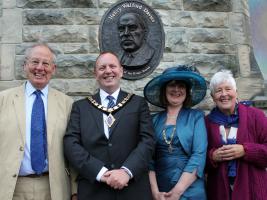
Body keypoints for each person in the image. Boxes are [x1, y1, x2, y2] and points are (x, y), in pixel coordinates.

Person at [63, 51, 155, 200]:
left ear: (121, 71)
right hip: (94, 189)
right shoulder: (81, 107)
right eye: (102, 67)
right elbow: (71, 144)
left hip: (132, 189)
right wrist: (100, 173)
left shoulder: (138, 104)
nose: (108, 71)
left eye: (112, 66)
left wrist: (126, 171)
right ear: (95, 74)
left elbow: (148, 141)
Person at [0, 43, 74, 200]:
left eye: (45, 63)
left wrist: (75, 190)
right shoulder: (3, 100)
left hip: (54, 189)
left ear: (53, 69)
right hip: (11, 188)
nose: (40, 68)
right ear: (25, 65)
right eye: (34, 62)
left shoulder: (67, 104)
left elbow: (74, 149)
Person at [144, 65, 208, 200]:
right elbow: (148, 159)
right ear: (164, 89)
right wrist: (155, 192)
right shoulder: (153, 120)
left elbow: (199, 155)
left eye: (181, 86)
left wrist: (177, 192)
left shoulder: (196, 117)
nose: (176, 89)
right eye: (172, 85)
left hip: (190, 189)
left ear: (187, 91)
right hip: (161, 191)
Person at [205, 70, 267, 200]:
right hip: (219, 192)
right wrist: (212, 157)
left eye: (228, 89)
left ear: (236, 92)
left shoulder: (256, 116)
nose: (224, 94)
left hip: (253, 191)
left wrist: (245, 150)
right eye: (218, 91)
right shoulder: (207, 122)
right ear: (212, 96)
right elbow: (197, 158)